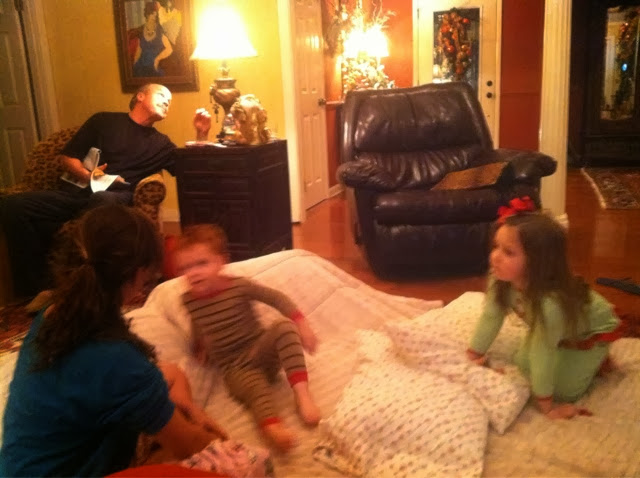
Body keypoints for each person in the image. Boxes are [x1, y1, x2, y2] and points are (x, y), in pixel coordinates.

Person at [0, 205, 231, 477]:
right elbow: (188, 446)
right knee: (215, 466)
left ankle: (176, 419)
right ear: (136, 273)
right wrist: (221, 444)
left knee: (171, 372)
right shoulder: (117, 359)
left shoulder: (53, 311)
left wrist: (189, 409)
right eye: (147, 278)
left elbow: (120, 377)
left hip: (18, 467)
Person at [0, 83, 211, 299]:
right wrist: (90, 177)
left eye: (170, 101)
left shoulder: (161, 144)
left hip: (115, 197)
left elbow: (190, 172)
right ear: (140, 96)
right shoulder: (103, 121)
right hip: (76, 193)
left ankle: (85, 286)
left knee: (102, 200)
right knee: (12, 205)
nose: (167, 101)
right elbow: (67, 157)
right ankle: (34, 290)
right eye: (161, 95)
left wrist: (201, 135)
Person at [466, 203, 623, 419]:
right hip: (554, 328)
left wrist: (547, 407)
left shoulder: (550, 304)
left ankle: (599, 356)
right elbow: (491, 317)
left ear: (537, 262)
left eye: (508, 252)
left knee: (564, 392)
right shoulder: (500, 279)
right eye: (496, 246)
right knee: (522, 365)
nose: (495, 257)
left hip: (590, 332)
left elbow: (543, 351)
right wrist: (473, 355)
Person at [173, 224, 321, 452]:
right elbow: (198, 325)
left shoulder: (239, 286)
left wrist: (302, 323)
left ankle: (302, 394)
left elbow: (276, 298)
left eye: (202, 263)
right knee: (256, 391)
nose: (193, 273)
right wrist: (199, 346)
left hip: (260, 351)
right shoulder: (189, 301)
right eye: (186, 267)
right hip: (236, 369)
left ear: (221, 262)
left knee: (283, 327)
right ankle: (272, 428)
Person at [133, 3, 173, 77]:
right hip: (140, 66)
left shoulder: (160, 31)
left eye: (155, 14)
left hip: (154, 66)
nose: (154, 17)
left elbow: (169, 49)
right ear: (147, 15)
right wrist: (134, 64)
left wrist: (157, 59)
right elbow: (139, 50)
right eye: (152, 14)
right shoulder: (141, 30)